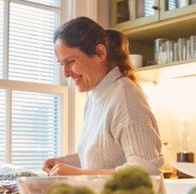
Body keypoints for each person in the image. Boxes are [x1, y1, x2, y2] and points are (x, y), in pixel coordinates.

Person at [42, 17, 164, 176]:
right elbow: (101, 158)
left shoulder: (125, 98)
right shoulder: (95, 96)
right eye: (61, 63)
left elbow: (146, 172)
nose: (65, 73)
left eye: (71, 61)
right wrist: (64, 162)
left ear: (100, 53)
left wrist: (79, 174)